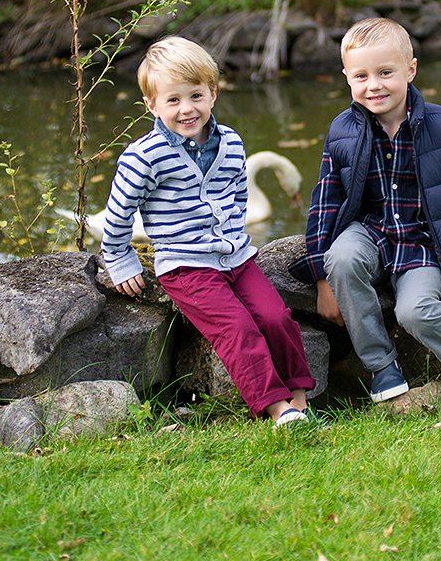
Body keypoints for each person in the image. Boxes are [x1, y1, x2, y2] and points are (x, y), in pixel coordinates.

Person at [291, 17, 441, 402]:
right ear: (347, 78)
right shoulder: (343, 131)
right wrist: (321, 277)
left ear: (410, 70)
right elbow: (325, 203)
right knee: (342, 259)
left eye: (385, 72)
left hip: (422, 242)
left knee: (416, 310)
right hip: (370, 231)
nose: (373, 85)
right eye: (361, 76)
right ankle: (381, 365)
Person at [101, 36, 315, 427]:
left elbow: (236, 195)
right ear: (151, 105)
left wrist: (233, 238)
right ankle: (276, 409)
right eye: (173, 100)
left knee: (275, 316)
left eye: (196, 95)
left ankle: (299, 398)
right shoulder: (144, 156)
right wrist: (118, 258)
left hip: (236, 258)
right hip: (186, 265)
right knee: (237, 328)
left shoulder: (231, 143)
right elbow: (118, 213)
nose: (187, 109)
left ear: (213, 93)